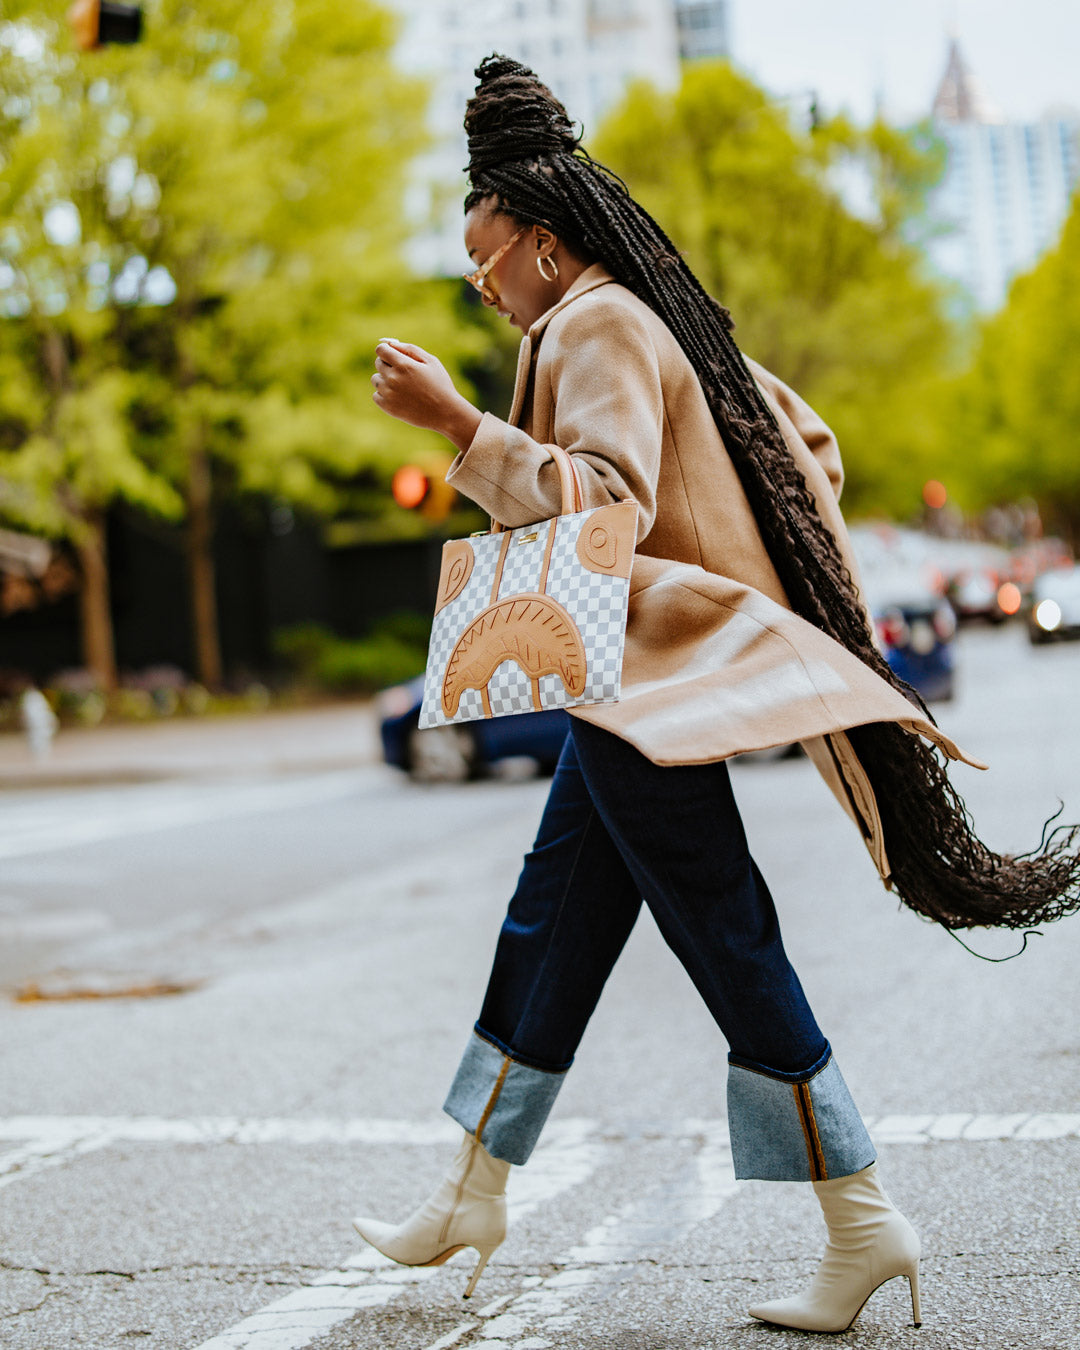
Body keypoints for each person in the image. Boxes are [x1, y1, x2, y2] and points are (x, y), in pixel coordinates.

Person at [354, 56, 1080, 1333]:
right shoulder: (653, 317)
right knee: (551, 927)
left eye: (485, 261)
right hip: (624, 688)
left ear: (541, 241)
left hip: (653, 683)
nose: (480, 284)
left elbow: (612, 507)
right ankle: (472, 1187)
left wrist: (462, 430)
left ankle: (862, 1219)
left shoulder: (597, 325)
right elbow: (810, 446)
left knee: (722, 929)